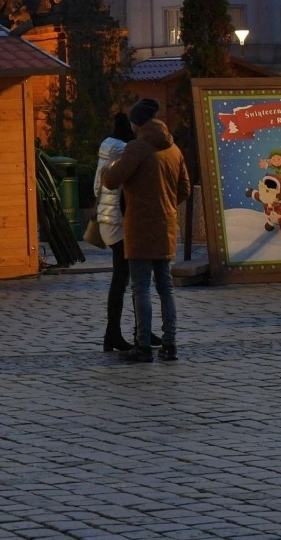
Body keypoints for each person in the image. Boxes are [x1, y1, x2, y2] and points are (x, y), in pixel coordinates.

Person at [102, 98, 191, 364]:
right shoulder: (173, 149)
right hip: (166, 225)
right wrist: (166, 205)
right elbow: (185, 189)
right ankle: (170, 344)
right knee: (165, 286)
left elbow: (111, 180)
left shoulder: (137, 147)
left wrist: (107, 167)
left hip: (140, 226)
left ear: (137, 124)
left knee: (140, 286)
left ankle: (143, 346)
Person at [94, 113, 155, 353]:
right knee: (133, 279)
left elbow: (96, 187)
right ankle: (126, 332)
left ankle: (120, 332)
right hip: (122, 221)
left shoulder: (106, 149)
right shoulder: (128, 151)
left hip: (107, 220)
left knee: (122, 278)